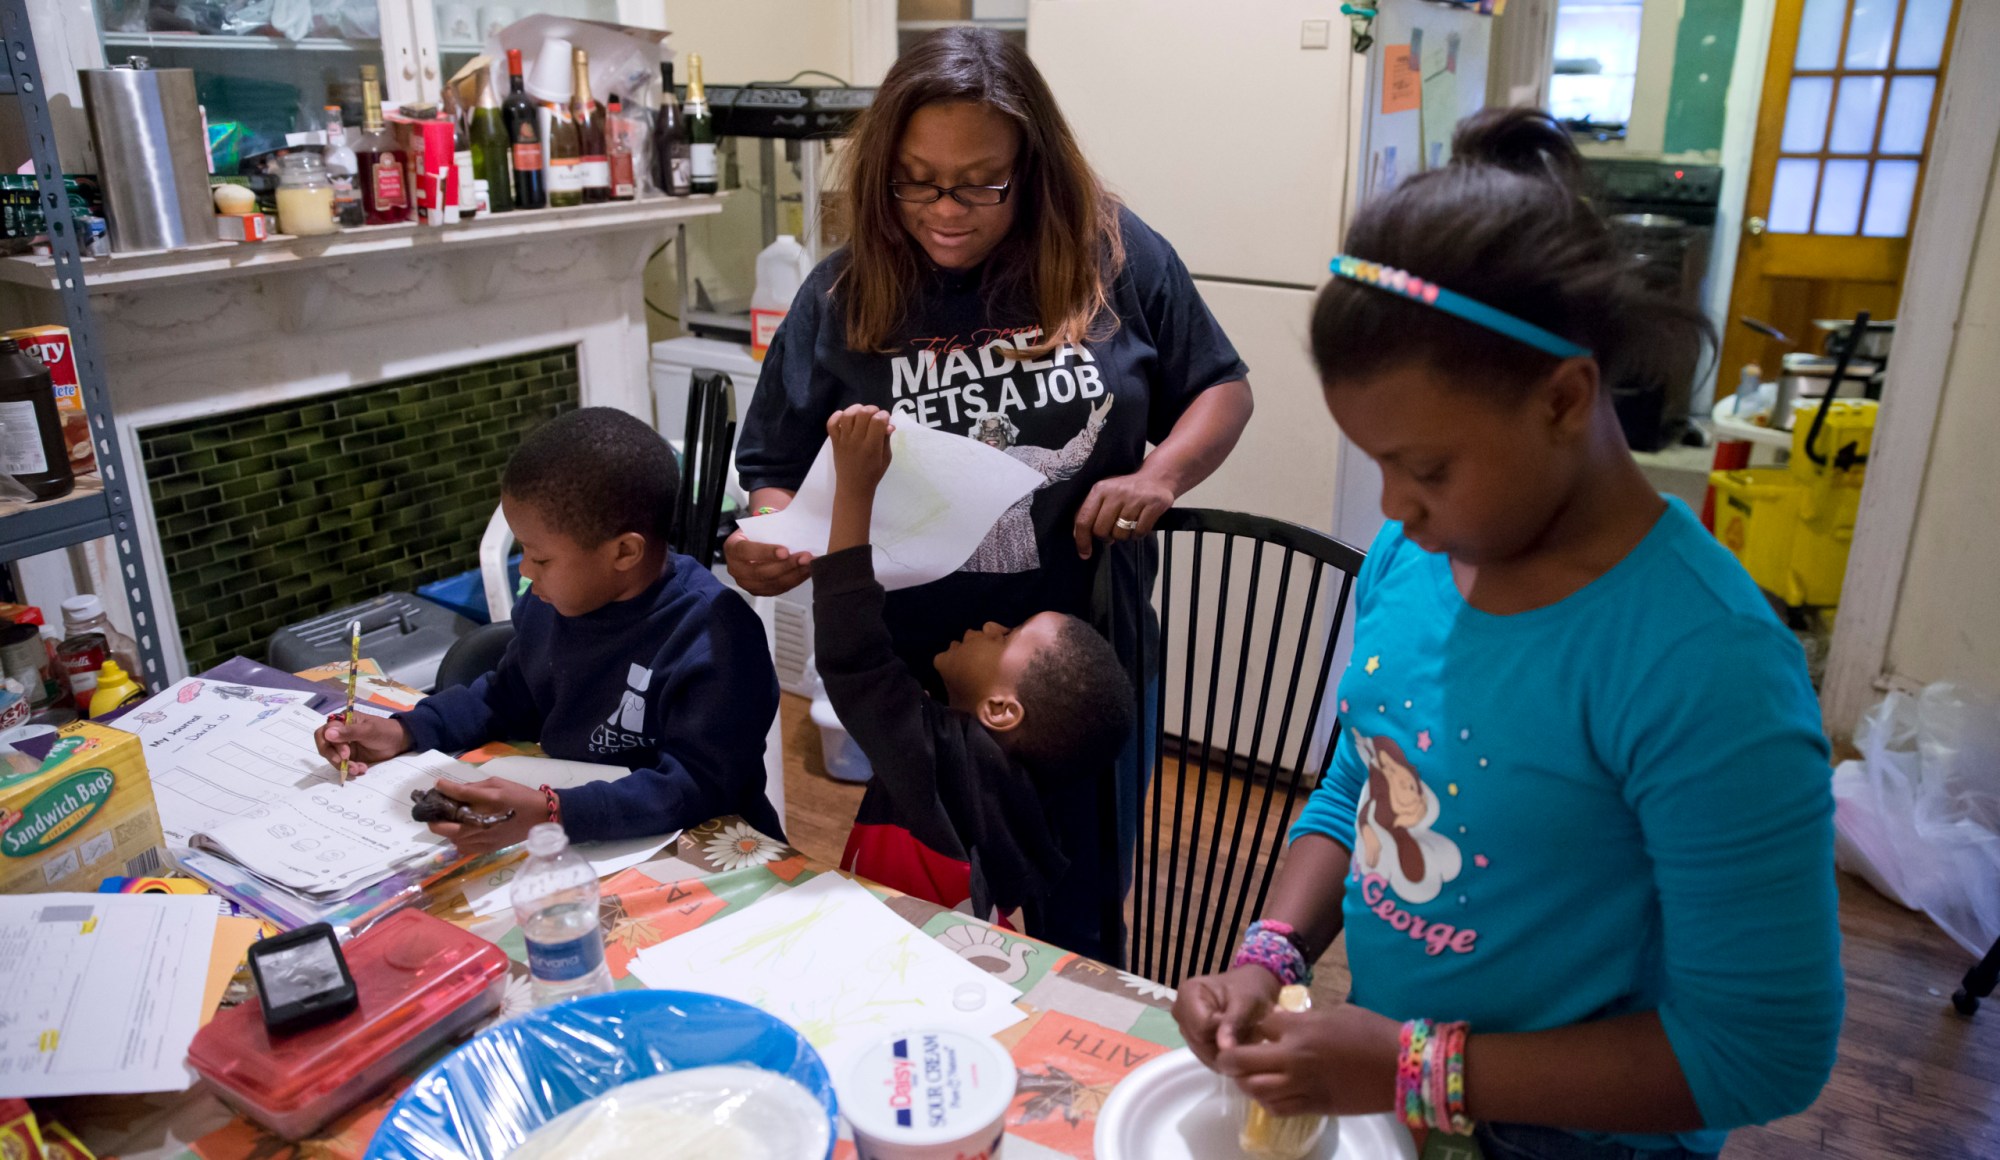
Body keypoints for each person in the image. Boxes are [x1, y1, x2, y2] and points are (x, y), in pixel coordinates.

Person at [1172, 109, 1842, 1160]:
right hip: (1400, 1108)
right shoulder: (1416, 558)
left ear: (1563, 398)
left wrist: (1409, 1064)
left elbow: (1761, 1046)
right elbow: (1363, 777)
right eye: (1377, 463)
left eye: (1426, 467)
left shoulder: (1702, 664)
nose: (1391, 507)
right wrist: (1270, 951)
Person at [730, 26, 1253, 954]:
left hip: (1080, 670)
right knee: (936, 917)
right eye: (918, 179)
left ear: (1034, 167)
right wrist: (773, 537)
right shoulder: (840, 294)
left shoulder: (1114, 254)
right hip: (925, 693)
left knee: (1081, 910)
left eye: (982, 181)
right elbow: (774, 469)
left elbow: (1220, 385)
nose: (948, 208)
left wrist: (1161, 471)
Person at [316, 407, 782, 855]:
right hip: (578, 831)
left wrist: (556, 813)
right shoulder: (551, 603)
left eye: (540, 558)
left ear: (624, 553)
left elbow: (699, 786)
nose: (525, 570)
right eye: (522, 550)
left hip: (705, 847)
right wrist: (405, 731)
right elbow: (505, 697)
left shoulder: (715, 635)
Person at [811, 404, 1134, 931]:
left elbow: (852, 654)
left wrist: (855, 487)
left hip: (888, 957)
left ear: (1001, 709)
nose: (988, 625)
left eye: (1007, 637)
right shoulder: (1014, 796)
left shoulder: (929, 759)